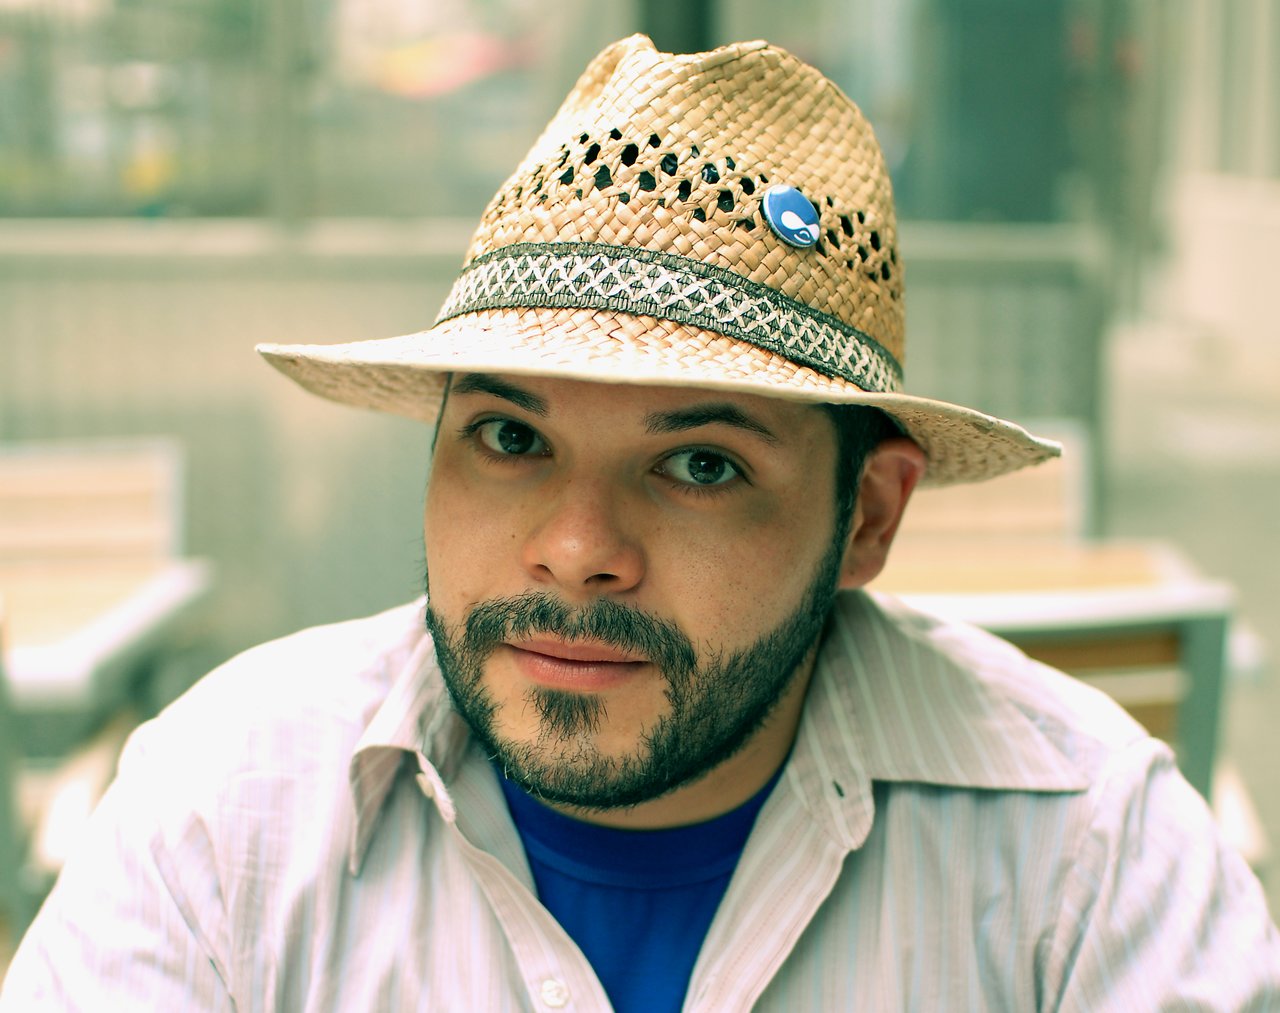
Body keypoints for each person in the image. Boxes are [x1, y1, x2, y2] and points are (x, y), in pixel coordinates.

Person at [4, 34, 1278, 1011]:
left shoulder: (1091, 853)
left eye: (701, 464)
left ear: (867, 517)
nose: (573, 545)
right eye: (509, 437)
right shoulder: (224, 814)